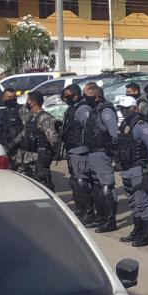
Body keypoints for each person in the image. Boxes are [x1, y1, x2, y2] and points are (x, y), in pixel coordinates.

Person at [112, 96, 148, 247]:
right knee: (133, 201)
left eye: (126, 109)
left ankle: (147, 234)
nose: (123, 111)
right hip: (126, 168)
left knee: (142, 201)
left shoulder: (141, 125)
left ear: (134, 108)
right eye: (121, 108)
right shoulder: (124, 124)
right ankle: (138, 230)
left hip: (139, 167)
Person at [83, 85, 121, 233]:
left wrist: (113, 152)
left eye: (88, 97)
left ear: (97, 97)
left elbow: (114, 135)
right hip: (92, 152)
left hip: (102, 152)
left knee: (106, 186)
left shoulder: (106, 111)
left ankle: (110, 221)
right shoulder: (95, 110)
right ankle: (101, 218)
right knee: (97, 187)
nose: (85, 99)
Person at [60, 85, 96, 225]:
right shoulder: (72, 108)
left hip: (81, 150)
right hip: (72, 150)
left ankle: (89, 212)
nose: (65, 97)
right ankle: (80, 209)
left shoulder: (83, 109)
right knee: (75, 181)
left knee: (82, 181)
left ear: (75, 95)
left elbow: (88, 129)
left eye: (68, 94)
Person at [15, 91, 59, 189]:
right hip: (27, 158)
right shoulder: (30, 117)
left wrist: (48, 155)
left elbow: (54, 140)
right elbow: (24, 134)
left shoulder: (44, 118)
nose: (26, 103)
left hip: (39, 158)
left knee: (43, 185)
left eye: (28, 100)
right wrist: (11, 145)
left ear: (33, 102)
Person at [0, 88, 25, 169]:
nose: (12, 99)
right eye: (9, 97)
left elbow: (27, 129)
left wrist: (13, 143)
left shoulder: (21, 110)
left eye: (14, 97)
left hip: (18, 149)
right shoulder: (1, 113)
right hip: (4, 149)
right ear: (3, 98)